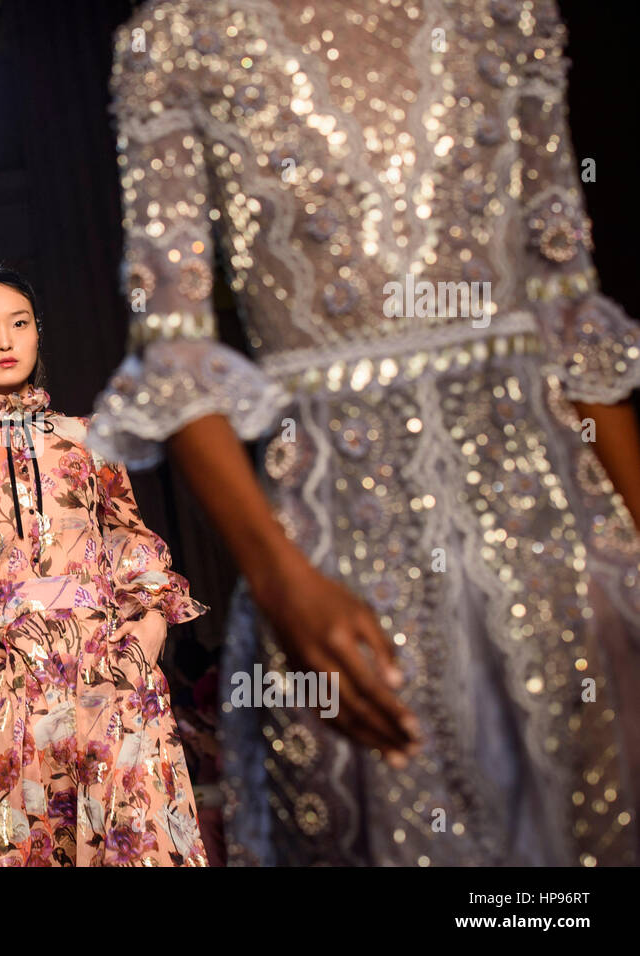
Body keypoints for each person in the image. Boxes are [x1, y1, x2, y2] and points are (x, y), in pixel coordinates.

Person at [89, 0, 640, 866]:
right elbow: (172, 349)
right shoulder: (183, 38)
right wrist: (279, 580)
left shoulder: (510, 16)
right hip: (339, 548)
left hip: (563, 539)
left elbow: (571, 312)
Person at [0, 266, 210, 866]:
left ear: (37, 333)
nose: (4, 341)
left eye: (19, 324)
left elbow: (130, 538)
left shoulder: (88, 439)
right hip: (19, 695)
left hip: (118, 682)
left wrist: (150, 629)